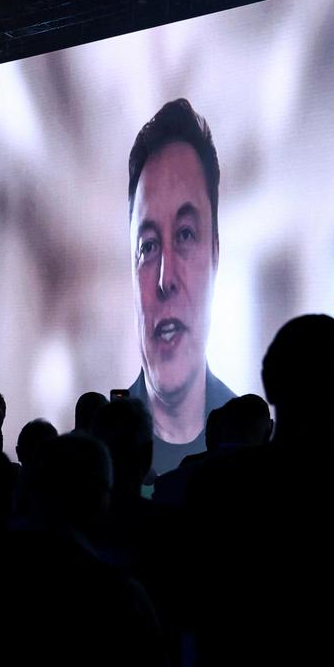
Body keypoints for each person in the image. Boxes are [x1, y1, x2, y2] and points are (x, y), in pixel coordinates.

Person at [125, 98, 235, 473]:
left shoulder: (254, 450)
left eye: (186, 234)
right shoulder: (97, 453)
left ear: (215, 254)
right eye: (148, 247)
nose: (164, 279)